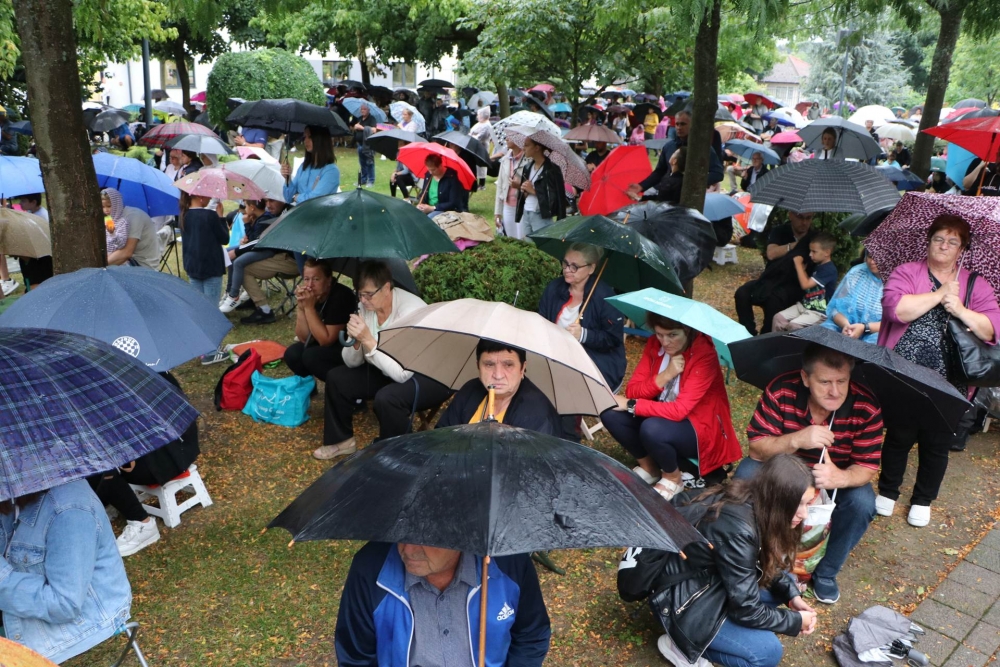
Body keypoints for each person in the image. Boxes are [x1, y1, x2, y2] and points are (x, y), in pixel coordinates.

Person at [618, 455, 818, 667]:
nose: (804, 514)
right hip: (680, 600)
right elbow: (746, 609)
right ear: (777, 497)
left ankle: (720, 635)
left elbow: (762, 564)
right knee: (766, 653)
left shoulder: (754, 498)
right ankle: (679, 646)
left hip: (706, 580)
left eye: (807, 503)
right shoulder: (739, 529)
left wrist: (791, 596)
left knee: (783, 584)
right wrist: (795, 621)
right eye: (798, 504)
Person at [734, 344, 883, 604]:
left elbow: (866, 466)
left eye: (842, 381)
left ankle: (826, 572)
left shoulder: (866, 406)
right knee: (746, 475)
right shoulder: (781, 389)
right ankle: (752, 555)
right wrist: (797, 439)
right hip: (783, 468)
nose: (834, 391)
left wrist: (841, 478)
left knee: (862, 503)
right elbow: (756, 449)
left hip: (830, 474)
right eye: (824, 382)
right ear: (805, 377)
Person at [876, 214, 1000, 525]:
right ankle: (888, 491)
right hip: (905, 371)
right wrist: (938, 294)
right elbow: (896, 310)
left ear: (962, 249)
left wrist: (960, 309)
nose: (944, 245)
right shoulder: (907, 272)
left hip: (951, 378)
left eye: (952, 241)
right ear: (929, 241)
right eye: (938, 239)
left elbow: (991, 329)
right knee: (899, 434)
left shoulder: (975, 283)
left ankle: (923, 500)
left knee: (937, 441)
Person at [335, 540, 550, 666]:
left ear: (461, 532)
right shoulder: (370, 568)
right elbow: (355, 657)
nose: (408, 550)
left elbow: (532, 634)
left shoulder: (508, 561)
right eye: (401, 534)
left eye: (424, 537)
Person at [317, 261, 453, 460]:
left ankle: (399, 454)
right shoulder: (365, 307)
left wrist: (368, 340)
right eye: (360, 294)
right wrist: (356, 342)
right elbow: (351, 363)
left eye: (368, 295)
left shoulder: (411, 311)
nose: (363, 301)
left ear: (387, 288)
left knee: (387, 398)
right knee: (337, 378)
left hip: (428, 373)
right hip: (387, 367)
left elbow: (402, 374)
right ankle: (342, 441)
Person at [603, 311, 741, 500]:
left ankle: (673, 478)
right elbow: (633, 390)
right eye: (659, 334)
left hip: (699, 428)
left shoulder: (704, 354)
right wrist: (666, 375)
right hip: (662, 413)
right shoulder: (654, 343)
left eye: (672, 335)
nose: (665, 342)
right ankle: (649, 467)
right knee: (610, 413)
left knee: (652, 428)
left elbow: (679, 410)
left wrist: (632, 405)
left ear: (687, 330)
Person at [0, 480, 133, 663]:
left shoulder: (69, 510)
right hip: (26, 602)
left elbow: (64, 604)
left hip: (82, 618)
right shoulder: (15, 489)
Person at [88, 372, 198, 557]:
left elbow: (148, 422)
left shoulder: (133, 376)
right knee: (91, 457)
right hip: (169, 445)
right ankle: (106, 502)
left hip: (167, 453)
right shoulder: (135, 369)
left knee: (97, 466)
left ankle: (142, 523)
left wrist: (127, 452)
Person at [537, 242, 626, 391]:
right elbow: (542, 321)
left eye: (575, 266)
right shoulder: (554, 289)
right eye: (565, 263)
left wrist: (584, 335)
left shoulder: (605, 297)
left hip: (596, 365)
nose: (567, 270)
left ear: (591, 268)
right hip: (557, 358)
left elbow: (613, 339)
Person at [436, 340, 561, 434]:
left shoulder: (537, 415)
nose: (498, 375)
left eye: (508, 365)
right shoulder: (470, 390)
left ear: (522, 368)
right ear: (478, 366)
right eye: (489, 365)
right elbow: (441, 436)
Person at [734, 210, 817, 335]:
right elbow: (771, 254)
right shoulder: (780, 231)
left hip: (795, 284)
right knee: (742, 293)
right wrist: (795, 245)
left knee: (773, 300)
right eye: (800, 217)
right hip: (772, 278)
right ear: (791, 215)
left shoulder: (814, 238)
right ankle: (748, 332)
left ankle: (766, 336)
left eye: (808, 218)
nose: (804, 222)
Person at [283, 259, 358, 382]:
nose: (310, 285)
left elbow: (326, 340)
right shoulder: (315, 295)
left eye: (316, 279)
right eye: (306, 279)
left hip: (345, 346)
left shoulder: (340, 296)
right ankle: (308, 386)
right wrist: (301, 308)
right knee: (293, 353)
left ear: (328, 281)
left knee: (311, 356)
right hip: (323, 340)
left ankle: (339, 384)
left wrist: (309, 308)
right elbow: (304, 338)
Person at [627, 110, 723, 197]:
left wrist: (693, 182)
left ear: (692, 125)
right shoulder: (669, 146)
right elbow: (660, 171)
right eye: (677, 124)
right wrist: (642, 186)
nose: (679, 127)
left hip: (690, 197)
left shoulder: (702, 148)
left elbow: (717, 173)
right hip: (667, 193)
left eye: (683, 124)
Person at [772, 231, 838, 331]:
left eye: (814, 251)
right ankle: (778, 340)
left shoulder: (829, 269)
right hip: (805, 306)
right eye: (810, 251)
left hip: (819, 312)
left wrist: (798, 265)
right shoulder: (818, 265)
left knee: (794, 325)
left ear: (827, 252)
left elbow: (805, 285)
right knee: (778, 318)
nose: (810, 254)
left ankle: (795, 342)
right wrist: (803, 270)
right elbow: (809, 282)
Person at [822, 251, 883, 343]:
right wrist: (846, 325)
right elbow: (835, 308)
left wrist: (864, 328)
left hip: (874, 334)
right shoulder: (856, 273)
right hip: (844, 327)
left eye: (878, 258)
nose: (872, 262)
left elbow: (893, 324)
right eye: (870, 257)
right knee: (824, 336)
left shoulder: (898, 281)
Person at [514, 136, 567, 236]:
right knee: (527, 244)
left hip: (541, 215)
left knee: (541, 244)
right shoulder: (527, 167)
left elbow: (558, 198)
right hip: (526, 211)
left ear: (537, 148)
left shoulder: (552, 169)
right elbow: (524, 194)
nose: (523, 148)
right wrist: (523, 190)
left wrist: (533, 191)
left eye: (526, 145)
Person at [281, 125, 340, 204]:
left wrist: (297, 197)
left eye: (310, 137)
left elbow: (315, 199)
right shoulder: (304, 167)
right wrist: (287, 179)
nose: (306, 141)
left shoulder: (331, 171)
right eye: (305, 137)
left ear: (321, 139)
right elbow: (288, 198)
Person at [494, 137, 527, 238]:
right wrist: (498, 212)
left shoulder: (528, 159)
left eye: (510, 136)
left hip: (522, 205)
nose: (506, 139)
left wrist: (519, 185)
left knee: (522, 238)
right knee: (511, 239)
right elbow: (500, 185)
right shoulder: (505, 159)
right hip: (507, 205)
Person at [352, 102, 378, 187]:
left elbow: (374, 130)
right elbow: (355, 129)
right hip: (359, 144)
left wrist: (362, 128)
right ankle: (363, 180)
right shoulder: (359, 118)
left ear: (368, 110)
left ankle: (371, 180)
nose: (362, 111)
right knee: (362, 163)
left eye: (364, 109)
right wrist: (355, 127)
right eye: (361, 109)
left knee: (369, 162)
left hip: (368, 145)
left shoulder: (371, 119)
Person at [469, 107, 494, 188]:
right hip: (475, 146)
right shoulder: (479, 123)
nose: (478, 116)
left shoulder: (487, 125)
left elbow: (481, 137)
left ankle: (482, 184)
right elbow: (471, 132)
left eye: (479, 115)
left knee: (481, 165)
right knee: (475, 164)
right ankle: (474, 181)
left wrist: (473, 136)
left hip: (482, 146)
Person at [103, 188, 131, 256]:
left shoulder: (122, 222)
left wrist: (112, 233)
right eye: (103, 207)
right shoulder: (104, 220)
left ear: (116, 205)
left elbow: (121, 245)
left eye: (109, 206)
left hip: (115, 259)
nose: (106, 210)